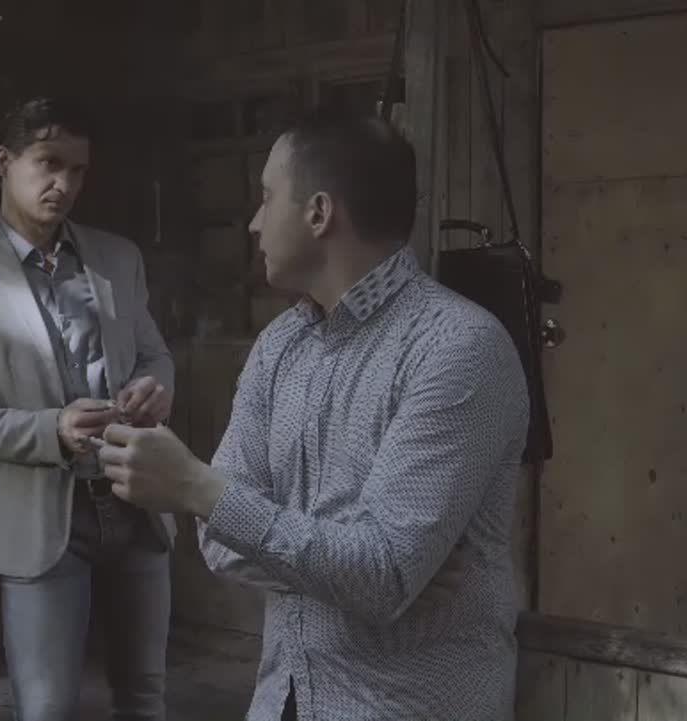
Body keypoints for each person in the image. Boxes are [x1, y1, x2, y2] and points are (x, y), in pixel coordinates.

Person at [96, 109, 530, 720]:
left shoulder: (458, 347)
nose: (253, 222)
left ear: (319, 213)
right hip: (283, 697)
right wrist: (359, 568)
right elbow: (219, 544)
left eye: (267, 197)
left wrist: (199, 487)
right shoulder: (279, 345)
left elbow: (378, 574)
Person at [0, 96, 176, 721]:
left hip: (135, 499)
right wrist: (52, 430)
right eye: (48, 162)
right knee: (46, 709)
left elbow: (153, 353)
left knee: (145, 697)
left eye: (77, 169)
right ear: (4, 161)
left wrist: (156, 386)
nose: (64, 183)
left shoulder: (117, 257)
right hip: (40, 518)